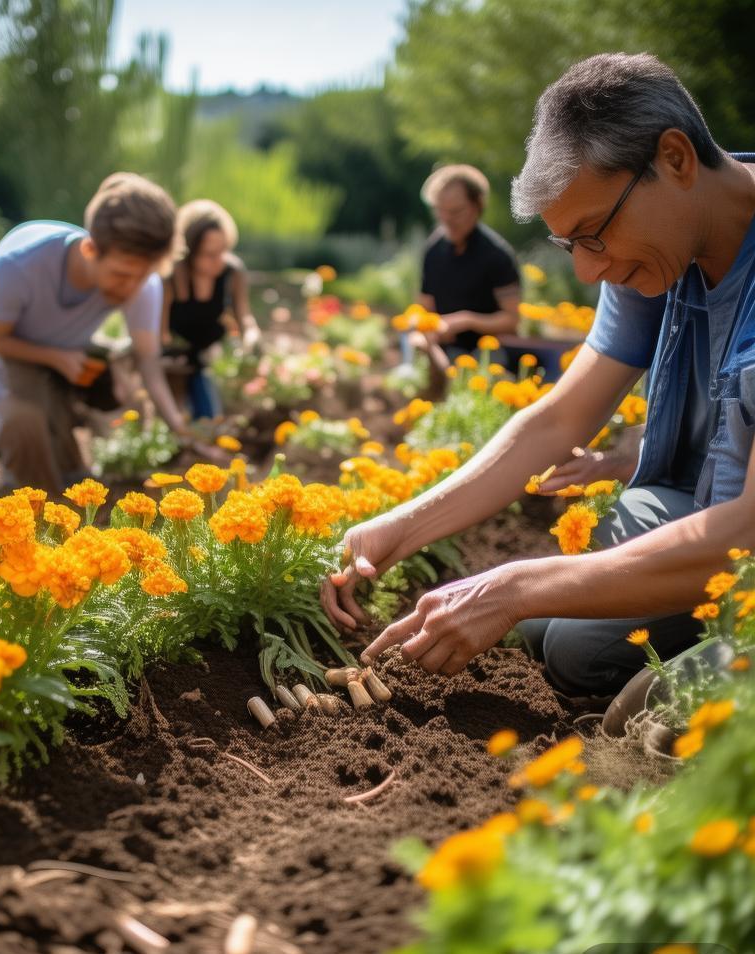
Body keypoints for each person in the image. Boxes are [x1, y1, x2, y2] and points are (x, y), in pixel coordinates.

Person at [323, 52, 755, 698]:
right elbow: (559, 418)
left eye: (594, 234)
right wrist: (398, 526)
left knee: (580, 646)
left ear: (676, 159)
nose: (586, 272)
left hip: (739, 531)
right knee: (560, 619)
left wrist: (513, 587)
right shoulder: (660, 243)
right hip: (701, 510)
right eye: (568, 245)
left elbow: (744, 532)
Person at [0, 173, 223, 498]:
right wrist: (56, 358)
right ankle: (31, 497)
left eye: (141, 277)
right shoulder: (19, 265)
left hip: (67, 346)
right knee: (25, 423)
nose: (131, 287)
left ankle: (70, 476)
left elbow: (149, 362)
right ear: (90, 249)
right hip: (4, 345)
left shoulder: (142, 282)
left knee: (74, 473)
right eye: (121, 275)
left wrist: (182, 429)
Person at [408, 165, 521, 383]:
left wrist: (466, 320)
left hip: (487, 351)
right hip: (443, 348)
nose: (446, 219)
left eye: (456, 211)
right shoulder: (433, 250)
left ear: (478, 205)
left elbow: (511, 319)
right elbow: (424, 308)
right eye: (440, 210)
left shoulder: (497, 255)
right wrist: (423, 328)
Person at [162, 199, 260, 420]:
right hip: (173, 364)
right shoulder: (171, 276)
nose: (218, 261)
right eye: (209, 254)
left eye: (223, 251)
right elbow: (160, 334)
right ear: (189, 251)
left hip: (208, 360)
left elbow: (244, 316)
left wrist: (251, 338)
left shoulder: (232, 273)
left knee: (211, 414)